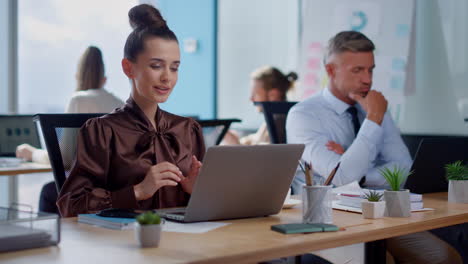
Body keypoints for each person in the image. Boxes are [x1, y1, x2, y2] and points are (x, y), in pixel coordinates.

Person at [286, 31, 461, 264]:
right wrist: (374, 119)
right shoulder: (304, 115)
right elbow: (342, 176)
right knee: (380, 260)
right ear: (330, 71)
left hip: (379, 213)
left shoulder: (374, 106)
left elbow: (403, 168)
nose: (367, 80)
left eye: (370, 69)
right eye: (357, 70)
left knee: (442, 257)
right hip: (330, 219)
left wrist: (362, 175)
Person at [56, 4, 205, 217]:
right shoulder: (102, 131)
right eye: (156, 66)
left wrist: (194, 191)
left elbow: (208, 206)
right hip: (126, 244)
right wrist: (137, 191)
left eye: (174, 67)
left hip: (186, 245)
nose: (167, 77)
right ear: (128, 68)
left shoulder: (188, 129)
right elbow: (71, 205)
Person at [16, 46, 124, 214]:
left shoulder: (78, 100)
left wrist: (32, 153)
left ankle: (51, 240)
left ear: (77, 77)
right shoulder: (121, 104)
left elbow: (64, 159)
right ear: (104, 79)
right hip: (118, 192)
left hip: (87, 193)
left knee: (49, 192)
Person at [222, 66, 298, 145]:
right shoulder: (274, 118)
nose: (251, 99)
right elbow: (255, 139)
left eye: (255, 94)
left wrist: (235, 144)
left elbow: (263, 155)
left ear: (273, 95)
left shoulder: (278, 123)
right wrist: (235, 139)